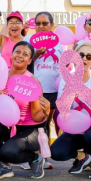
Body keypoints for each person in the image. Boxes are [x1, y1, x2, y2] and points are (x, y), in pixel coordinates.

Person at [0, 41, 50, 180]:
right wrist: (0, 101)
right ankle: (4, 166)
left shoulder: (32, 81)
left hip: (30, 130)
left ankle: (35, 158)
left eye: (25, 54)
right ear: (11, 54)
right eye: (17, 52)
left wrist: (46, 111)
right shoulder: (0, 75)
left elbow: (37, 116)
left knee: (9, 152)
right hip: (9, 126)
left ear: (30, 60)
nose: (20, 56)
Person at [50, 42, 91, 179]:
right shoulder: (66, 80)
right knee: (55, 152)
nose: (84, 59)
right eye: (81, 55)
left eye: (89, 56)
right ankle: (84, 157)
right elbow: (63, 111)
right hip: (77, 130)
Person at [30, 12, 62, 153]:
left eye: (44, 23)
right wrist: (36, 54)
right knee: (37, 123)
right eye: (38, 23)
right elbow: (23, 63)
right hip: (35, 89)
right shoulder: (28, 40)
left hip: (54, 89)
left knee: (47, 123)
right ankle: (36, 154)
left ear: (51, 25)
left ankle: (45, 154)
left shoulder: (60, 43)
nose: (41, 26)